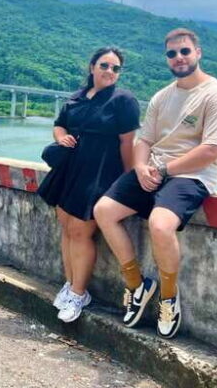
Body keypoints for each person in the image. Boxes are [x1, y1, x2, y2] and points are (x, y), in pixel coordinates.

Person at [94, 28, 217, 339]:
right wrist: (142, 166)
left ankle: (168, 297)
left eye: (185, 51)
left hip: (193, 176)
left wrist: (163, 169)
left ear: (198, 53)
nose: (179, 58)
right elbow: (144, 139)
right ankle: (137, 285)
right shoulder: (163, 95)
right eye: (172, 53)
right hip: (155, 170)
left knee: (160, 225)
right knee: (103, 211)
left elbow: (212, 150)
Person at [37, 46, 140, 323]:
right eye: (104, 65)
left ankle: (79, 292)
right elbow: (59, 125)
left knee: (81, 231)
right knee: (68, 228)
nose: (109, 71)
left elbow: (127, 143)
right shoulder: (77, 97)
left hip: (101, 171)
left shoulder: (123, 101)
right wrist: (61, 138)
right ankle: (70, 285)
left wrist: (128, 179)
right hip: (71, 168)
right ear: (92, 66)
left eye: (115, 68)